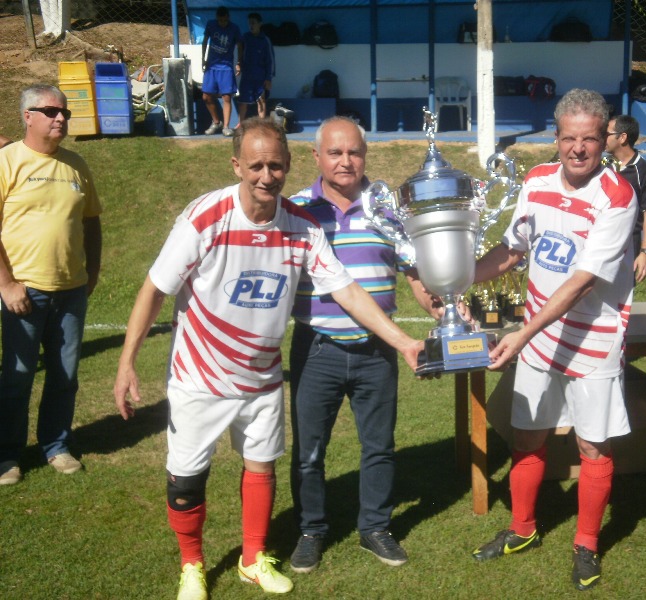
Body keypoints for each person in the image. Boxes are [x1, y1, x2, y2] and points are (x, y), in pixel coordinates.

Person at [113, 118, 423, 600]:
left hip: (261, 378)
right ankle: (192, 565)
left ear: (288, 165)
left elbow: (345, 290)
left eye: (275, 166)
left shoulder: (302, 226)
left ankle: (253, 558)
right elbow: (155, 289)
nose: (266, 176)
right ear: (236, 165)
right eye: (255, 165)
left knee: (261, 469)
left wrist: (403, 342)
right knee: (187, 479)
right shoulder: (205, 217)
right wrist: (126, 361)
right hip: (199, 376)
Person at [469, 89, 637, 592]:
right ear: (556, 137)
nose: (578, 149)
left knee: (592, 446)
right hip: (540, 339)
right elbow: (512, 250)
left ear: (605, 139)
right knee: (527, 436)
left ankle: (586, 544)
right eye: (568, 138)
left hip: (592, 339)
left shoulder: (617, 197)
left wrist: (522, 332)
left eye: (589, 139)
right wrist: (458, 278)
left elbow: (584, 281)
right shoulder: (536, 180)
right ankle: (523, 529)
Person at [287, 116, 444, 573]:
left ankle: (375, 527)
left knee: (379, 446)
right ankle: (311, 530)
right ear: (316, 156)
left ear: (365, 155)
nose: (345, 161)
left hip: (377, 350)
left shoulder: (387, 209)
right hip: (317, 348)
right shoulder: (295, 210)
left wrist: (443, 307)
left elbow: (414, 274)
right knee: (309, 451)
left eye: (353, 152)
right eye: (335, 152)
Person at [0, 84, 102, 486]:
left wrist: (92, 271)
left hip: (71, 291)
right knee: (18, 378)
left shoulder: (76, 164)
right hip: (24, 292)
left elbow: (91, 221)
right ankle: (8, 455)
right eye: (51, 112)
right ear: (28, 116)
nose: (61, 118)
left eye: (65, 113)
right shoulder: (7, 161)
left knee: (64, 376)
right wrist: (7, 283)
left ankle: (56, 445)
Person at [605, 114, 646, 283]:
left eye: (607, 134)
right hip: (600, 240)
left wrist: (645, 252)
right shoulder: (602, 166)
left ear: (622, 138)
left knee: (621, 295)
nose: (602, 137)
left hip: (628, 246)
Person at [201, 6, 242, 137]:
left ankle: (226, 127)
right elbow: (204, 42)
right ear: (217, 18)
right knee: (206, 96)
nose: (222, 23)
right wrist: (203, 59)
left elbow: (240, 45)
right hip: (212, 66)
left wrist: (239, 63)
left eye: (225, 20)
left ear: (228, 18)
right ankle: (216, 122)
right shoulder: (211, 25)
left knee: (226, 97)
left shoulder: (234, 28)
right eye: (220, 20)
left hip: (226, 67)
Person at [237, 13, 275, 123]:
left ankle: (261, 125)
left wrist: (268, 78)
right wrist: (239, 63)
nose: (251, 25)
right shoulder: (245, 37)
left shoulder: (265, 40)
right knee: (243, 102)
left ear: (260, 24)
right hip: (247, 76)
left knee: (261, 101)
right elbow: (239, 47)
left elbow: (270, 61)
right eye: (249, 23)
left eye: (253, 23)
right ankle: (241, 124)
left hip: (260, 77)